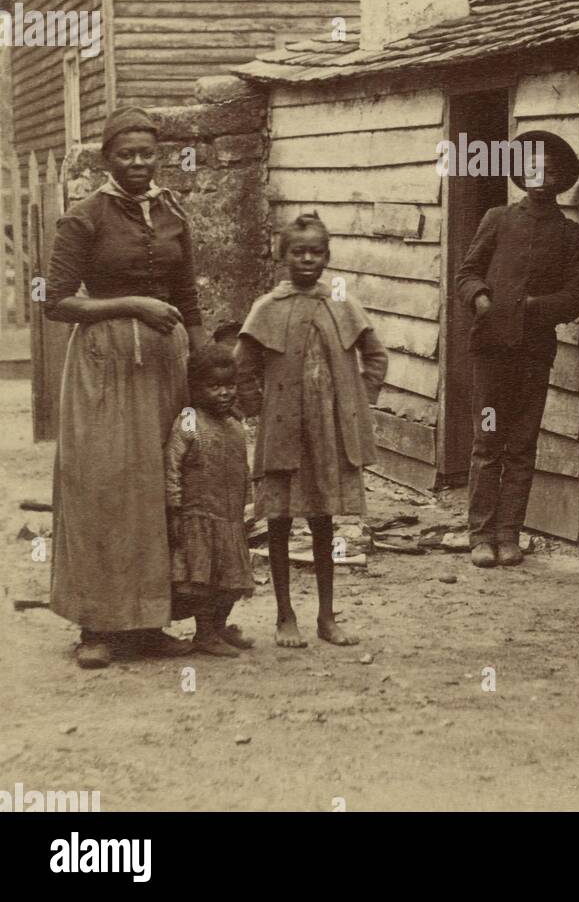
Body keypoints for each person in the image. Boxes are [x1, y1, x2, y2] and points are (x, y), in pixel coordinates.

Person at [44, 106, 204, 668]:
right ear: (106, 159)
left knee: (161, 487)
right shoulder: (84, 217)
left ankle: (148, 621)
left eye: (146, 154)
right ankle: (96, 625)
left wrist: (201, 362)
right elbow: (56, 302)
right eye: (126, 154)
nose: (138, 163)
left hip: (165, 365)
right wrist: (130, 305)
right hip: (103, 367)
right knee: (104, 486)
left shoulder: (171, 212)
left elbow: (188, 296)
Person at [235, 213, 388, 648]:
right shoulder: (267, 307)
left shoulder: (340, 300)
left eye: (316, 252)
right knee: (280, 523)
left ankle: (326, 616)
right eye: (298, 251)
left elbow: (375, 356)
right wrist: (256, 409)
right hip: (283, 432)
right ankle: (285, 616)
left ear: (327, 255)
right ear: (282, 256)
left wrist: (360, 401)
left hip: (329, 435)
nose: (307, 260)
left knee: (324, 524)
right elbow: (242, 367)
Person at [455, 130, 579, 569]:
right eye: (532, 167)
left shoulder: (569, 234)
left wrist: (533, 307)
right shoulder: (498, 219)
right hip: (491, 352)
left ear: (561, 179)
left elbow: (577, 296)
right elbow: (467, 272)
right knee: (488, 440)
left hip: (533, 354)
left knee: (522, 444)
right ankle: (480, 535)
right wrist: (483, 300)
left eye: (549, 171)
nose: (539, 176)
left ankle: (510, 534)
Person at [164, 344, 254, 657]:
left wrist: (248, 505)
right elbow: (172, 466)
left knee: (230, 581)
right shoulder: (190, 420)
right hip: (198, 518)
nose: (225, 393)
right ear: (196, 388)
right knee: (204, 581)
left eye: (230, 385)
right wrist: (175, 509)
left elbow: (243, 467)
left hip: (229, 518)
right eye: (214, 387)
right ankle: (204, 633)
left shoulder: (234, 424)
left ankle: (218, 627)